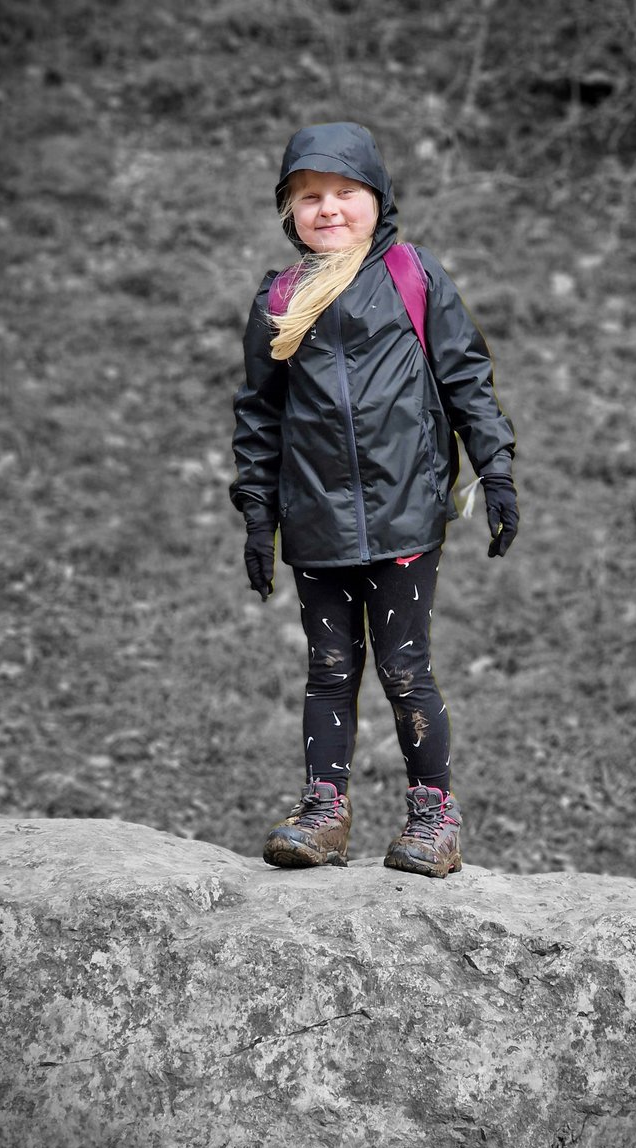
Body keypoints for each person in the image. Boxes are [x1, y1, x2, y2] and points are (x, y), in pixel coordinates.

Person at [230, 122, 518, 878]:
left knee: (404, 667)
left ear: (376, 199)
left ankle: (434, 819)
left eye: (344, 193)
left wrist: (496, 469)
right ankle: (324, 814)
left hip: (404, 517)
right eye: (308, 197)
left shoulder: (412, 275)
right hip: (315, 520)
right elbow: (259, 413)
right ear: (289, 212)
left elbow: (465, 379)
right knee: (328, 668)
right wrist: (259, 513)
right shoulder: (281, 298)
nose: (328, 209)